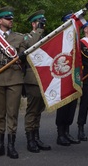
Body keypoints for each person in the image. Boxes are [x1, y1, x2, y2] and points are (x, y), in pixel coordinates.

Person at [0, 7, 27, 159]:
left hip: (15, 78)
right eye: (7, 19)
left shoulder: (19, 37)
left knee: (12, 113)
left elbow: (25, 55)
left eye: (11, 19)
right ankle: (0, 145)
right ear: (0, 21)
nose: (11, 21)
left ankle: (11, 145)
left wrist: (23, 56)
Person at [23, 10, 51, 152]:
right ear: (33, 24)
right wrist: (38, 30)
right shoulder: (27, 37)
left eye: (43, 23)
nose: (42, 26)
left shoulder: (44, 37)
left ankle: (36, 137)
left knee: (39, 110)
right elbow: (31, 47)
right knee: (32, 110)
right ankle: (30, 140)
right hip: (32, 78)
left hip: (43, 78)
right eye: (39, 23)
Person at [55, 12, 80, 146]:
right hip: (63, 78)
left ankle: (67, 131)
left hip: (73, 76)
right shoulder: (60, 38)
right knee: (64, 107)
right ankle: (60, 134)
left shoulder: (75, 39)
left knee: (72, 106)